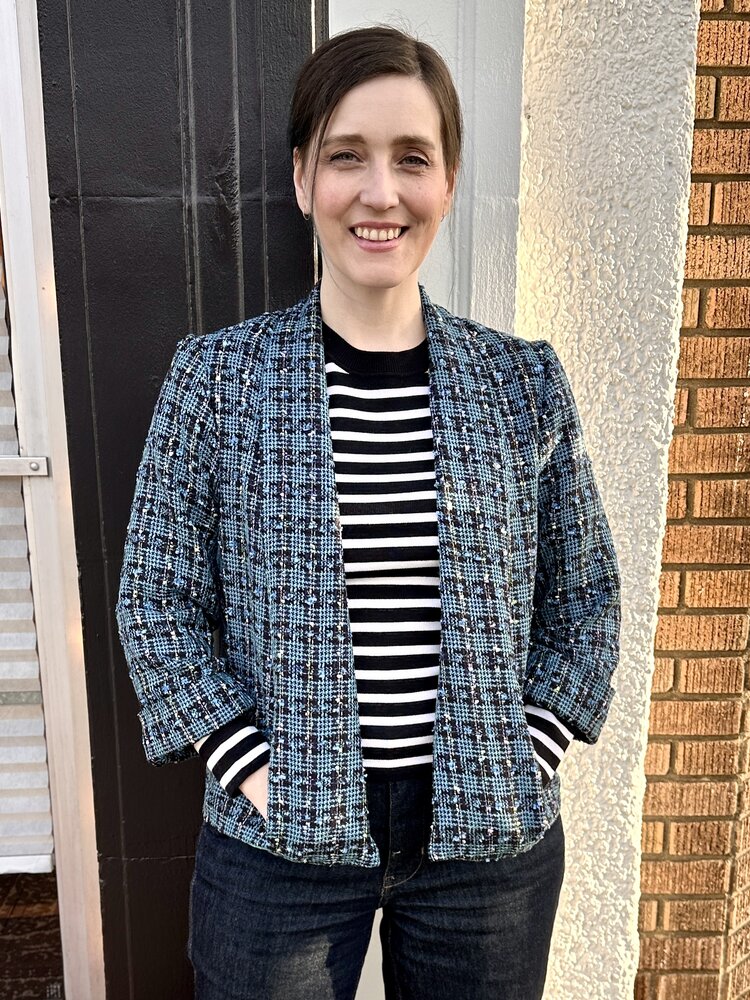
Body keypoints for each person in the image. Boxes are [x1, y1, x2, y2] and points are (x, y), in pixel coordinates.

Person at [115, 24, 621, 1000]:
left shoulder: (521, 384)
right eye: (347, 156)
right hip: (277, 844)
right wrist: (254, 771)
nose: (380, 191)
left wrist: (527, 751)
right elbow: (156, 599)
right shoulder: (217, 380)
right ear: (303, 178)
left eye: (412, 158)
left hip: (486, 850)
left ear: (449, 182)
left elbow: (587, 594)